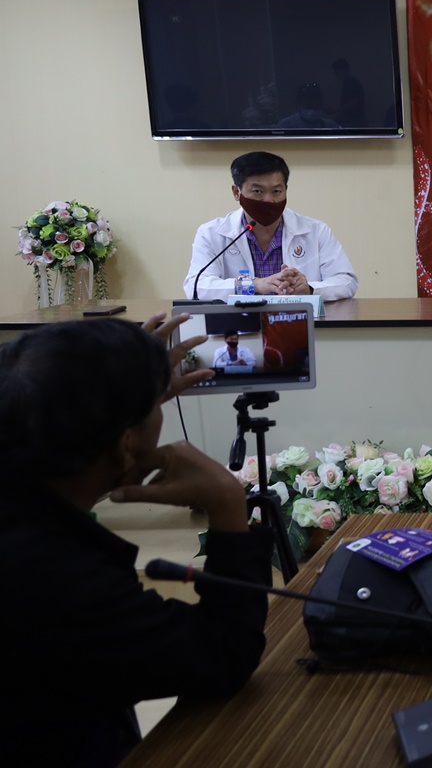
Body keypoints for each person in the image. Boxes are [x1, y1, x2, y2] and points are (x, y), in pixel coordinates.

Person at [0, 314, 270, 768]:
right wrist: (227, 501)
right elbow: (224, 655)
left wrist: (122, 401)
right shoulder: (58, 582)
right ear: (126, 445)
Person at [183, 151, 358, 301]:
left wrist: (310, 289)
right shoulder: (212, 233)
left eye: (276, 191)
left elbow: (346, 281)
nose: (269, 200)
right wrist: (254, 285)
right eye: (258, 191)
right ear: (237, 192)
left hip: (298, 322)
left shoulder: (317, 231)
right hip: (239, 325)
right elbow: (196, 286)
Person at [274, 82, 341, 131]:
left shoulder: (331, 126)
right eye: (309, 103)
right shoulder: (285, 125)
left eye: (316, 104)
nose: (313, 106)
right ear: (298, 103)